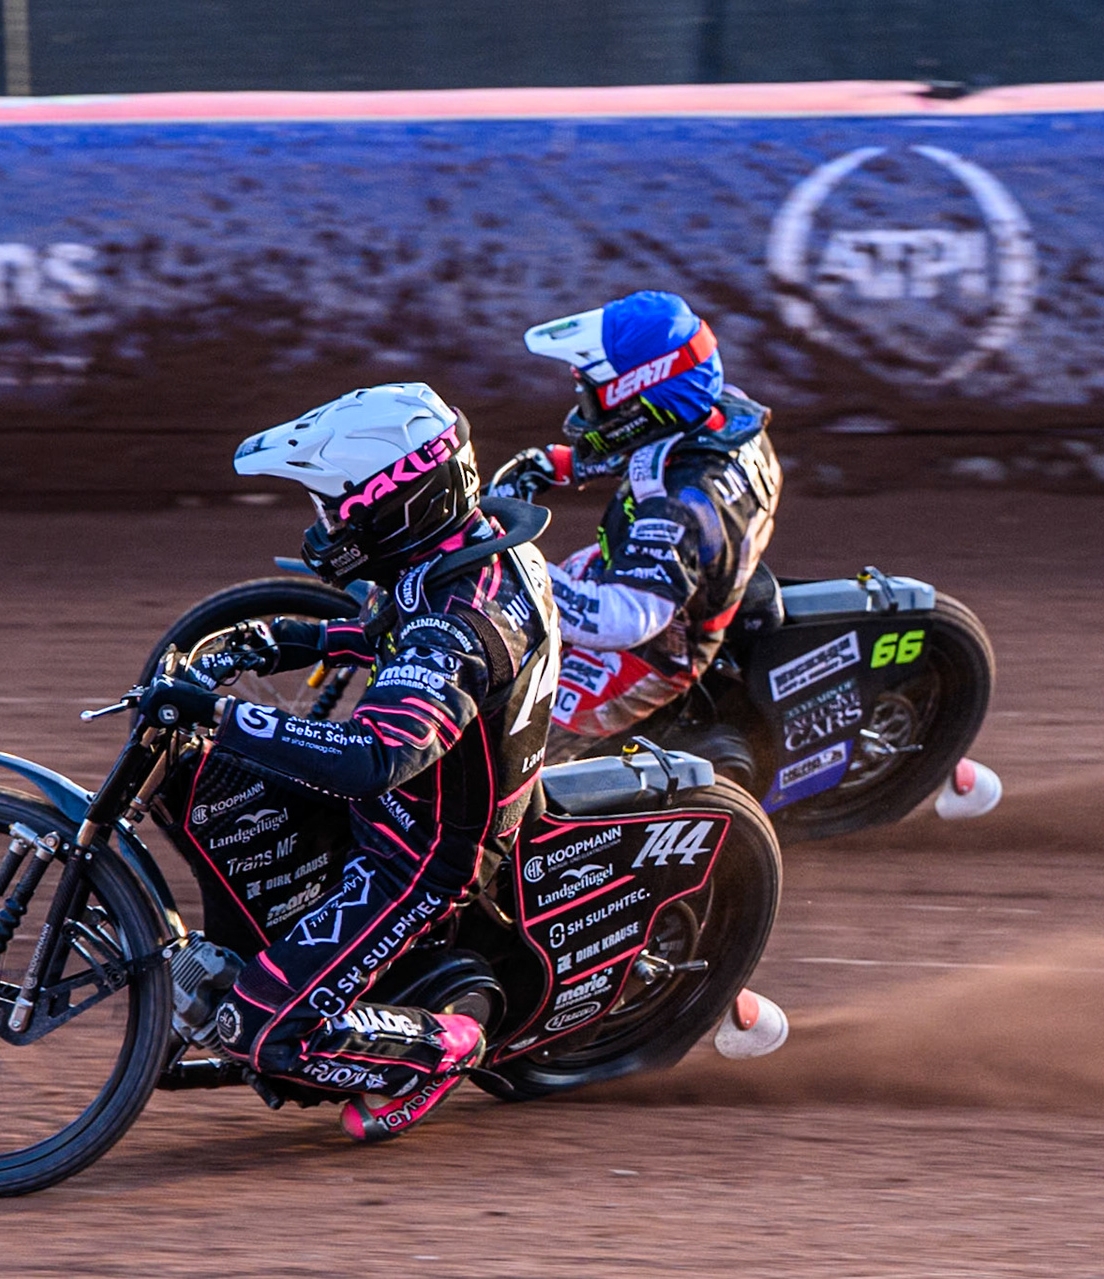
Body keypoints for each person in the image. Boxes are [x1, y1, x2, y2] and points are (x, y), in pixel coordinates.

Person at [137, 382, 561, 1142]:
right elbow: (388, 631)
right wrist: (280, 641)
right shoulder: (459, 551)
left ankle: (442, 1050)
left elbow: (373, 757)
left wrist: (225, 715)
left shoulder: (462, 623)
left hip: (423, 855)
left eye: (339, 509)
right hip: (408, 806)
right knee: (210, 791)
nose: (327, 525)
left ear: (400, 504)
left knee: (256, 1031)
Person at [490, 290, 782, 766]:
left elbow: (626, 620)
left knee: (509, 744)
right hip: (647, 569)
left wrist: (520, 574)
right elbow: (656, 449)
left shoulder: (680, 505)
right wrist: (559, 465)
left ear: (642, 399)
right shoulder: (724, 414)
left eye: (594, 397)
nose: (584, 407)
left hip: (655, 644)